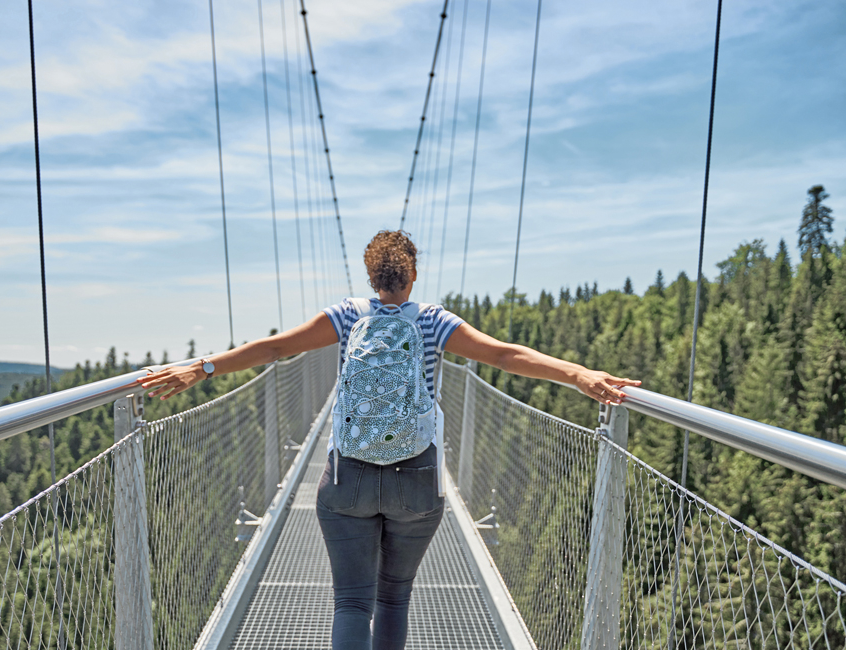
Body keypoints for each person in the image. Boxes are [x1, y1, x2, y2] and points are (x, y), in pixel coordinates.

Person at [139, 230, 640, 650]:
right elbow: (506, 356)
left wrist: (202, 367)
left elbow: (276, 348)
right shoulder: (433, 321)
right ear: (413, 275)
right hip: (417, 482)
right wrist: (578, 375)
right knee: (394, 596)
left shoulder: (347, 316)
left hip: (347, 479)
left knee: (351, 601)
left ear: (370, 275)